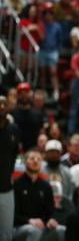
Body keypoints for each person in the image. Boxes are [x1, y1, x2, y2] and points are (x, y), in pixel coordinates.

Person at [13, 149, 66, 241]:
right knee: (34, 230)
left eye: (38, 159)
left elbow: (50, 210)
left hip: (41, 225)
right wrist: (29, 220)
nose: (36, 161)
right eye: (32, 158)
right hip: (19, 227)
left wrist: (50, 220)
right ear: (25, 162)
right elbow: (13, 214)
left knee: (61, 230)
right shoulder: (17, 184)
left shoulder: (45, 185)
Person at [0, 95, 19, 241]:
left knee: (6, 232)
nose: (1, 107)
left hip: (6, 188)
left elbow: (14, 154)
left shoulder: (13, 129)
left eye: (4, 104)